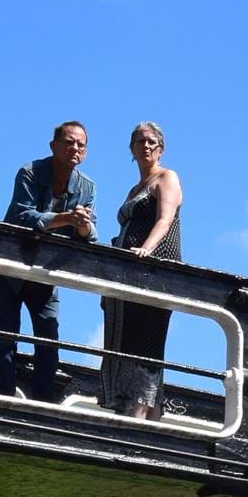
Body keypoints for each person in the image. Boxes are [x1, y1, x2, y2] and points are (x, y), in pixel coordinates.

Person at [0, 120, 96, 401]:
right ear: (54, 146)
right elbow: (22, 216)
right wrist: (66, 219)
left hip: (47, 273)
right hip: (10, 266)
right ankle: (3, 404)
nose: (74, 148)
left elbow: (91, 233)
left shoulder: (87, 188)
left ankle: (42, 407)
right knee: (5, 339)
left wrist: (83, 225)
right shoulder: (29, 172)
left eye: (80, 144)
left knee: (48, 341)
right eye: (68, 141)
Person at [103, 121, 182, 421]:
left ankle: (138, 414)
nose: (145, 146)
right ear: (131, 149)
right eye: (139, 141)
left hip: (154, 270)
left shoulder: (167, 178)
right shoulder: (133, 188)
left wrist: (146, 249)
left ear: (160, 148)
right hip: (127, 274)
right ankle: (151, 418)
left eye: (151, 141)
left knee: (146, 341)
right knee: (126, 340)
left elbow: (165, 218)